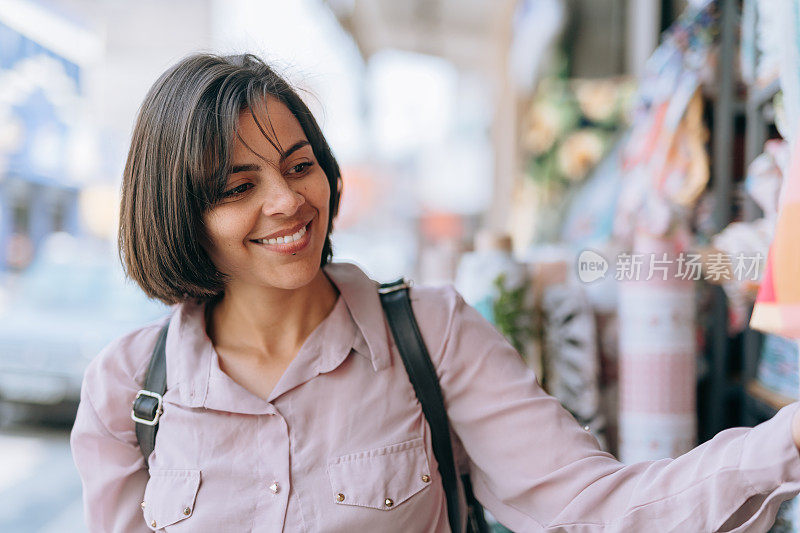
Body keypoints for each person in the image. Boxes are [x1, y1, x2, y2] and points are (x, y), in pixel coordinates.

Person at [70, 53, 800, 533]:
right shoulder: (129, 391)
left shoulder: (431, 332)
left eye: (299, 165)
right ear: (179, 213)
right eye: (238, 187)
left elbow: (590, 507)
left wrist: (784, 442)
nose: (287, 201)